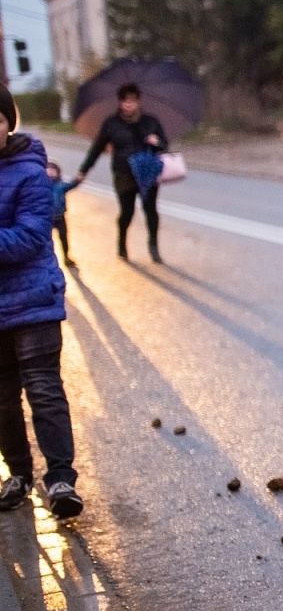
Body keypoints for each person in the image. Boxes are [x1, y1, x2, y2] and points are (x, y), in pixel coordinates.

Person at [0, 86, 82, 518]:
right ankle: (18, 473)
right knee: (1, 399)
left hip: (32, 299)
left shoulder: (30, 172)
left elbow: (32, 236)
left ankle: (61, 479)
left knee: (44, 391)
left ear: (7, 122)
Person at [77, 83, 167, 263]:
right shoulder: (111, 124)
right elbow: (97, 148)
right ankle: (122, 242)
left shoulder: (150, 121)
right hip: (123, 173)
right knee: (127, 211)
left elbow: (164, 145)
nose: (129, 104)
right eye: (126, 101)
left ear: (138, 102)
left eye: (133, 101)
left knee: (151, 211)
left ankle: (153, 247)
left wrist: (156, 141)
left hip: (147, 173)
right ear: (120, 103)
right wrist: (84, 170)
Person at [45, 161, 81, 270]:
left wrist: (78, 180)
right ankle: (47, 258)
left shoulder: (61, 185)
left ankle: (66, 256)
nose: (51, 172)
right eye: (49, 170)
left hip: (60, 217)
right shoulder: (42, 185)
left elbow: (71, 185)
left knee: (64, 237)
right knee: (46, 240)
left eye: (53, 170)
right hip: (47, 218)